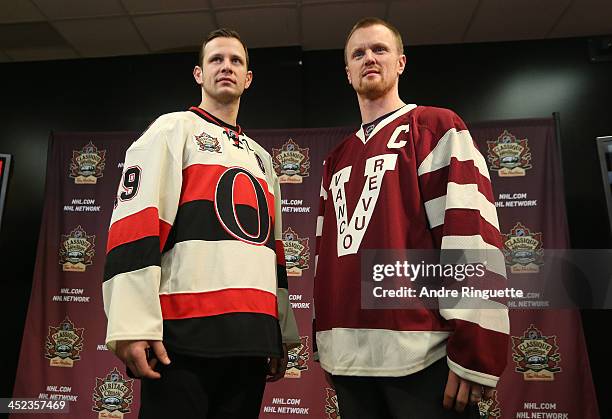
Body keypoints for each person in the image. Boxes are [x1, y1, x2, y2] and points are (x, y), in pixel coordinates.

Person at [313, 17, 509, 418]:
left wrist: (475, 349)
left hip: (424, 357)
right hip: (350, 361)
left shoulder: (436, 128)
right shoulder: (336, 159)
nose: (369, 57)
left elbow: (468, 235)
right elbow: (324, 258)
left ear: (400, 62)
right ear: (347, 72)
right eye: (358, 53)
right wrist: (326, 343)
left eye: (379, 49)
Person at [102, 28, 299, 419]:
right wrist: (130, 324)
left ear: (248, 78)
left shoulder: (262, 158)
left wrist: (279, 332)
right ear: (198, 73)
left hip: (251, 337)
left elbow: (272, 253)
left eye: (236, 61)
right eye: (216, 59)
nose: (226, 66)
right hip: (184, 337)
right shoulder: (172, 130)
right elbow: (136, 226)